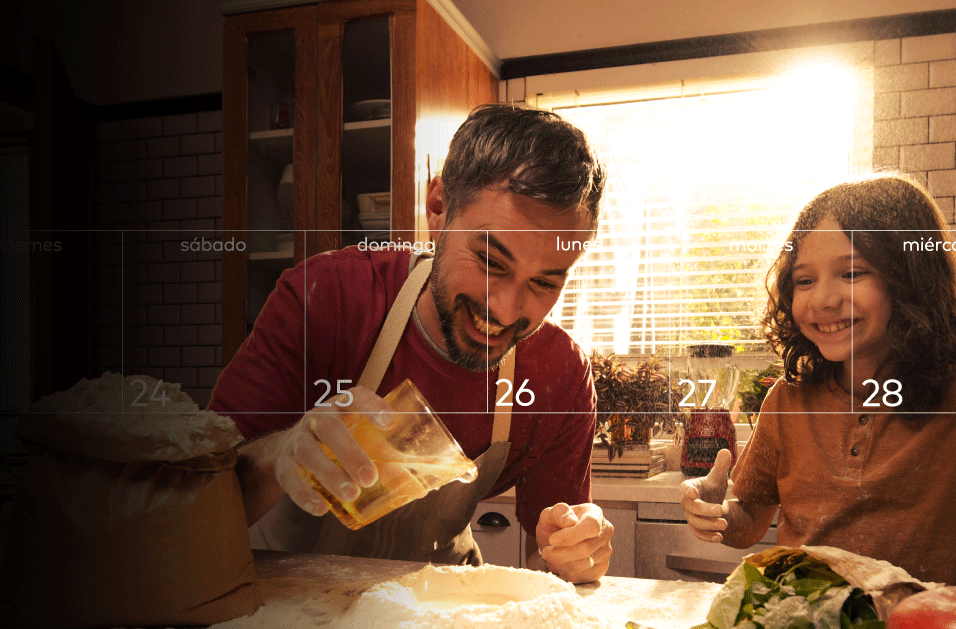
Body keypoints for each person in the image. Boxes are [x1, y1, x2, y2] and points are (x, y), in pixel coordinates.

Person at [210, 104, 613, 583]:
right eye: (490, 262)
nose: (505, 311)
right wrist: (281, 455)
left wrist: (578, 547)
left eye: (544, 283)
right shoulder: (328, 299)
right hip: (288, 605)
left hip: (435, 611)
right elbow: (197, 507)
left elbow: (562, 543)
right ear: (438, 208)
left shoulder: (557, 375)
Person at [681, 173, 956, 584]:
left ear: (909, 279)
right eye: (804, 280)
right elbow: (751, 517)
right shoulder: (787, 402)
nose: (823, 300)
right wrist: (718, 514)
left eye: (852, 274)